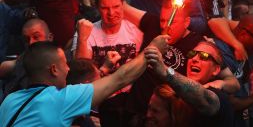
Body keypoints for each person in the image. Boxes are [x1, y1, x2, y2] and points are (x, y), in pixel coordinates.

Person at [0, 35, 168, 126]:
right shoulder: (61, 99)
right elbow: (120, 79)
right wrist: (152, 49)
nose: (68, 69)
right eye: (65, 64)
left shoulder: (10, 100)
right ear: (53, 69)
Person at [144, 41, 235, 127]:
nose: (194, 59)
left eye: (204, 56)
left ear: (215, 70)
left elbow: (206, 99)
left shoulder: (220, 97)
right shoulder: (176, 94)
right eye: (191, 54)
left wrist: (165, 71)